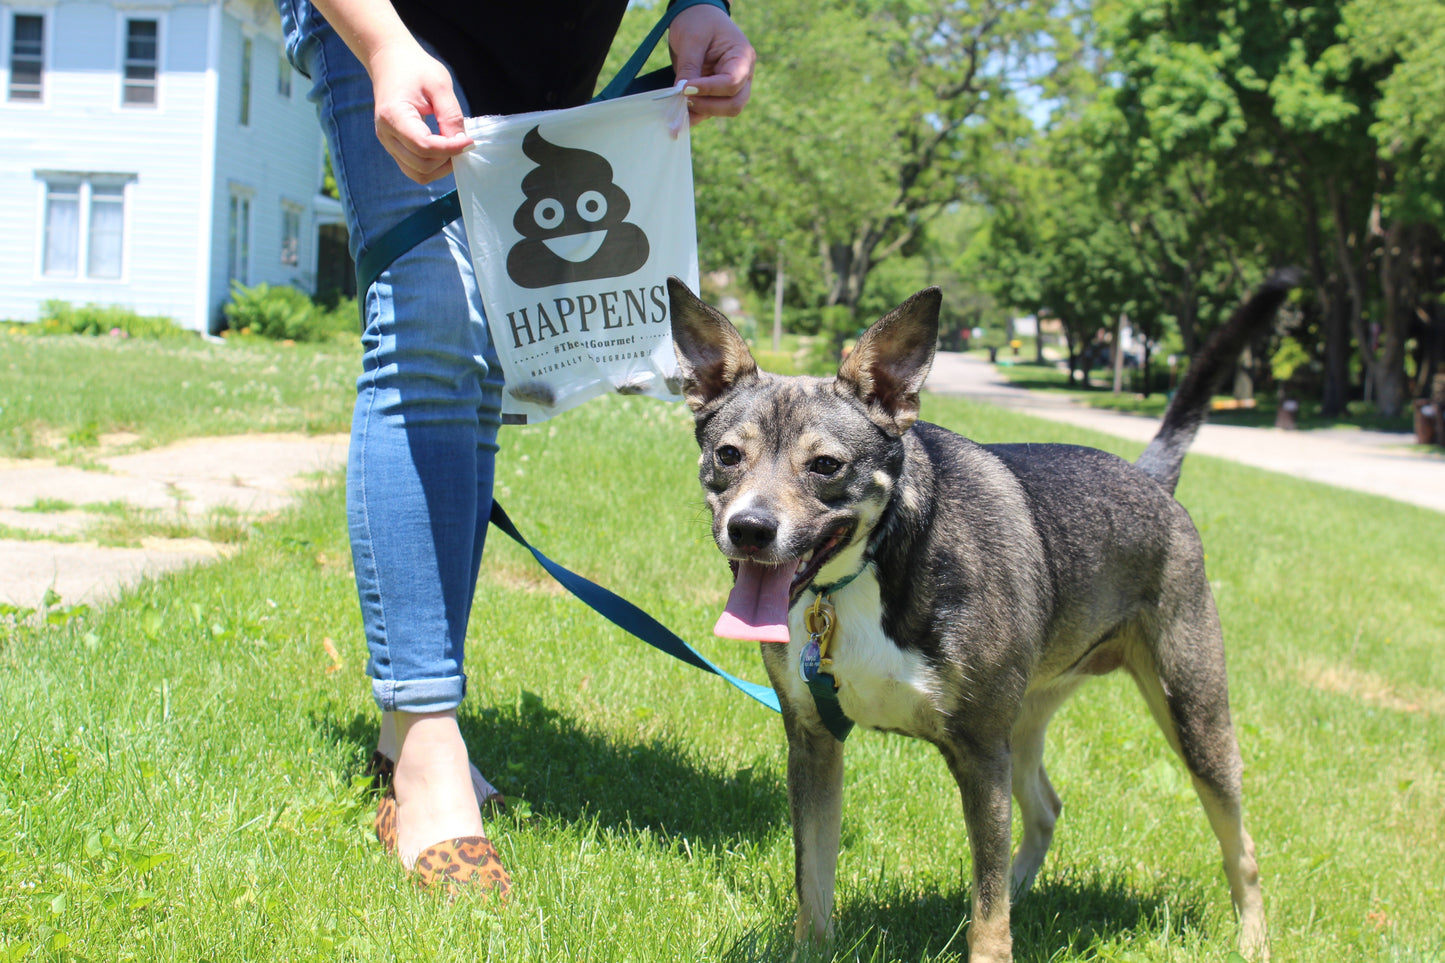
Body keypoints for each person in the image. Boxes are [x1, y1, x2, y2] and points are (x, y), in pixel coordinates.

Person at [274, 0, 756, 893]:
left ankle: (405, 737)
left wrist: (698, 6)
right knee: (430, 326)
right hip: (392, 19)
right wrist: (382, 45)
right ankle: (426, 747)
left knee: (480, 356)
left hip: (545, 46)